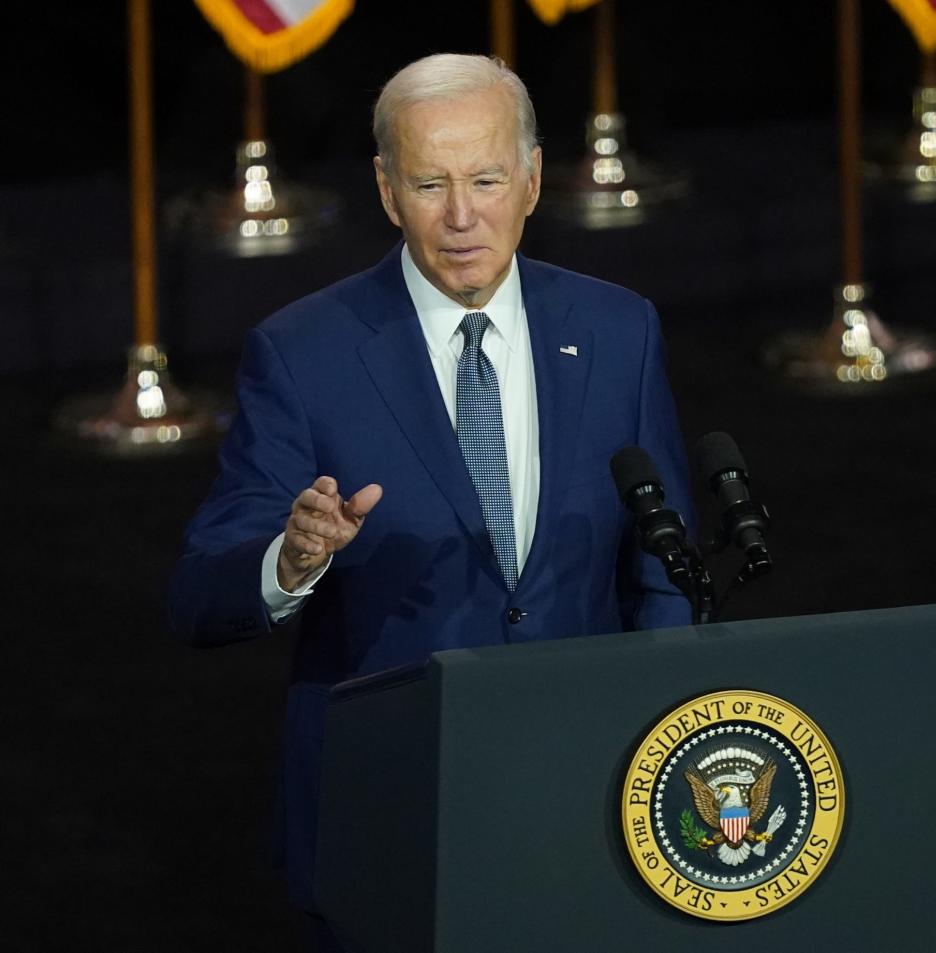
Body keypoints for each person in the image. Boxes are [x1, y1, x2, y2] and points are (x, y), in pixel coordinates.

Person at [168, 53, 692, 934]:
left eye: (486, 179)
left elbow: (663, 561)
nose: (460, 217)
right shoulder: (303, 353)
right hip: (394, 807)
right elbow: (197, 596)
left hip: (589, 792)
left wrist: (662, 739)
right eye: (429, 183)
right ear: (384, 189)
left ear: (530, 180)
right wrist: (289, 562)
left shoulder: (617, 329)